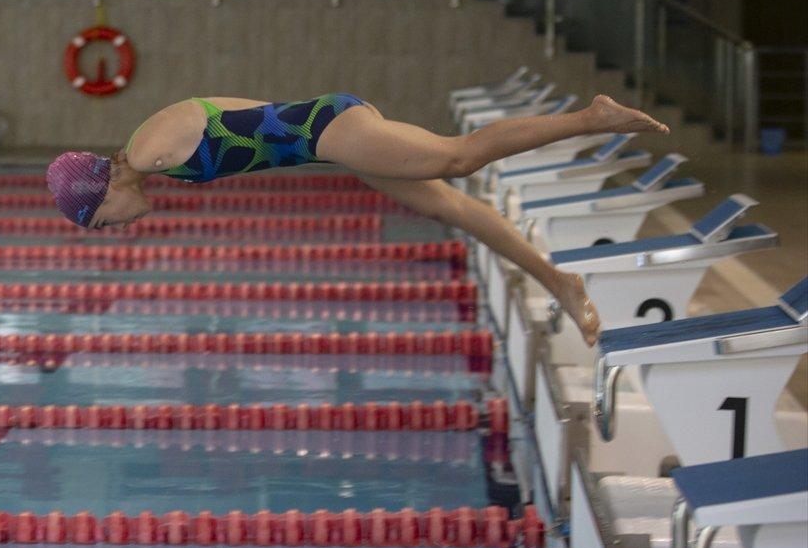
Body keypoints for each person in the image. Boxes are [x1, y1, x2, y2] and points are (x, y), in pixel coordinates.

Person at [45, 93, 670, 345]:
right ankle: (560, 281)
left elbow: (225, 116)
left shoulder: (152, 150)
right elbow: (237, 107)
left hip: (329, 132)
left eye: (104, 222)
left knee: (457, 158)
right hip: (325, 137)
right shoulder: (150, 156)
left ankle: (592, 117)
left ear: (102, 190)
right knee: (452, 207)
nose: (119, 229)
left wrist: (313, 132)